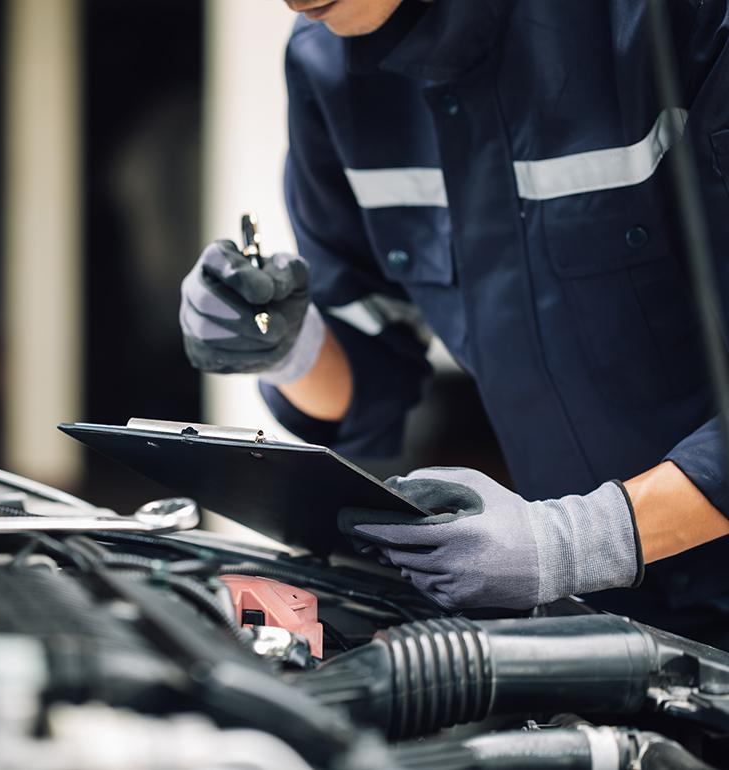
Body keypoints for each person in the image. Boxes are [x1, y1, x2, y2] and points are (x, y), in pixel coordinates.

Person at [179, 0, 729, 645]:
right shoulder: (324, 62)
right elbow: (371, 374)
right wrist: (286, 348)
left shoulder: (675, 18)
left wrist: (587, 538)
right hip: (603, 616)